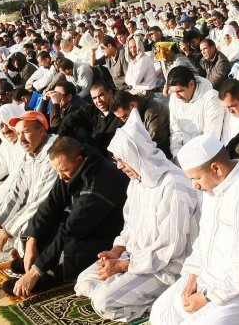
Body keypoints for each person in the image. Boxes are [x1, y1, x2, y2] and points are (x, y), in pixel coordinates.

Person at [74, 113, 199, 322]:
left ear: (136, 155)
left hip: (166, 268)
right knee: (84, 281)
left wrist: (123, 266)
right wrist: (116, 253)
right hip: (136, 258)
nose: (120, 166)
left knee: (103, 301)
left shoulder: (173, 185)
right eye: (117, 160)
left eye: (122, 160)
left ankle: (160, 302)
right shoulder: (137, 181)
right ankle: (129, 290)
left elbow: (170, 250)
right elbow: (129, 225)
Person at [150, 134, 239, 325]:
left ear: (216, 168)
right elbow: (203, 240)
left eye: (196, 178)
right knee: (161, 314)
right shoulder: (213, 188)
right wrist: (192, 276)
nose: (194, 186)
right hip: (209, 279)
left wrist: (207, 297)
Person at [4, 137, 130, 298]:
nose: (61, 177)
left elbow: (71, 230)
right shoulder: (72, 167)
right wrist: (32, 241)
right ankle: (39, 259)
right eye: (57, 172)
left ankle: (52, 273)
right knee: (47, 223)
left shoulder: (98, 184)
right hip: (85, 224)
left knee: (71, 240)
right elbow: (51, 204)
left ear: (79, 160)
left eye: (63, 171)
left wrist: (36, 272)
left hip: (108, 234)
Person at [0, 111, 59, 255]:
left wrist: (7, 231)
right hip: (38, 207)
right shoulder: (30, 154)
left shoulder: (54, 154)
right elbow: (17, 191)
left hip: (57, 212)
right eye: (18, 134)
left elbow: (40, 200)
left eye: (25, 132)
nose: (21, 139)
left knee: (24, 232)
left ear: (42, 132)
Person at [166, 66, 225, 156]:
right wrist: (176, 155)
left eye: (180, 91)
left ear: (191, 84)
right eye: (174, 92)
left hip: (205, 155)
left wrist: (190, 159)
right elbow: (176, 132)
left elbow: (211, 137)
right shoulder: (174, 98)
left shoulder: (212, 98)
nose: (177, 96)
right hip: (183, 155)